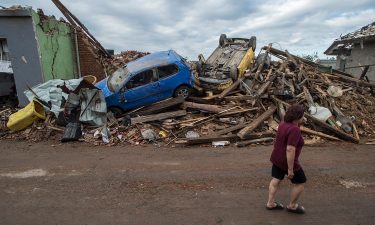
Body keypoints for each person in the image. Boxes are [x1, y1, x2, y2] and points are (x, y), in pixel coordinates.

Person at [266, 104, 306, 214]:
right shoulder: (294, 130)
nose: (304, 118)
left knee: (275, 180)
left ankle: (270, 203)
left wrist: (300, 121)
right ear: (298, 117)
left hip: (276, 157)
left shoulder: (283, 122)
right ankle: (292, 206)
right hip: (287, 161)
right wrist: (290, 169)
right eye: (303, 116)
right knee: (300, 182)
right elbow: (290, 149)